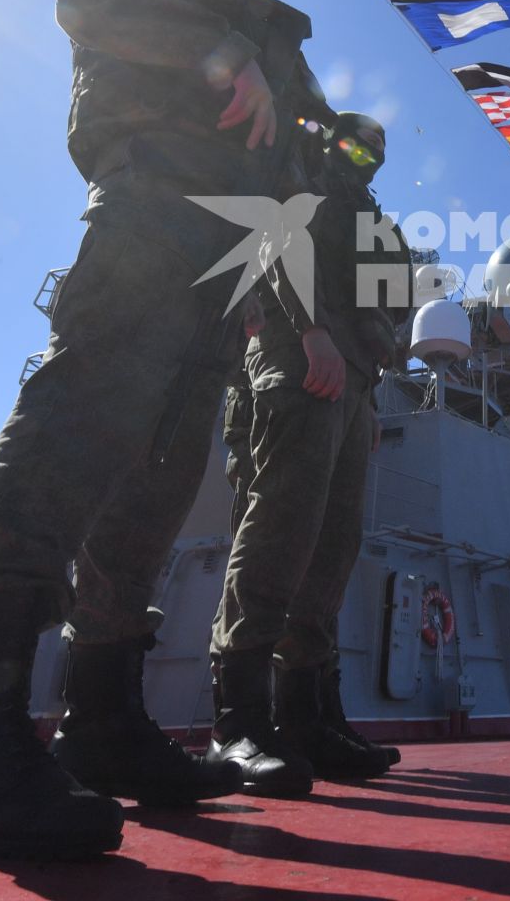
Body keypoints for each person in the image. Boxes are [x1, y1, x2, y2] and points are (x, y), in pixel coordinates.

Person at [0, 0, 316, 861]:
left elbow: (295, 158)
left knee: (160, 467)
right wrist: (215, 45)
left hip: (235, 250)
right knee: (85, 416)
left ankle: (102, 716)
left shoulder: (277, 34)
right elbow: (91, 0)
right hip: (153, 197)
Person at [208, 112, 411, 788]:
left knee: (334, 543)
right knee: (281, 525)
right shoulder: (304, 177)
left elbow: (382, 308)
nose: (372, 151)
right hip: (302, 354)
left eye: (382, 144)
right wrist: (311, 332)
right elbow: (276, 244)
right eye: (361, 138)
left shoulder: (368, 213)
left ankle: (310, 716)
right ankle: (238, 720)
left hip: (354, 379)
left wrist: (370, 395)